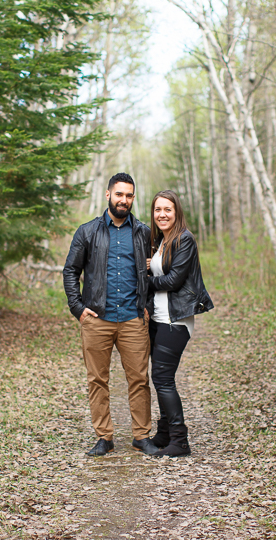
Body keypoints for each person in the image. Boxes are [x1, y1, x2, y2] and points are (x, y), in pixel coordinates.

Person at [62, 173, 159, 457]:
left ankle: (142, 435)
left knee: (139, 379)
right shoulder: (87, 232)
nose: (124, 200)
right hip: (97, 320)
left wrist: (148, 307)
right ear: (108, 195)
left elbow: (157, 272)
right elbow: (71, 271)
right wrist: (78, 308)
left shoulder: (143, 232)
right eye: (119, 194)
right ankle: (104, 437)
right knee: (97, 379)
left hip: (133, 319)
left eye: (129, 195)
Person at [146, 190, 214, 457]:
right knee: (161, 377)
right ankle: (164, 433)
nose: (162, 214)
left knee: (163, 378)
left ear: (177, 213)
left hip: (176, 321)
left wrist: (147, 277)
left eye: (168, 210)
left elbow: (173, 281)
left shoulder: (184, 239)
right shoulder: (161, 241)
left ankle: (179, 439)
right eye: (158, 210)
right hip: (160, 319)